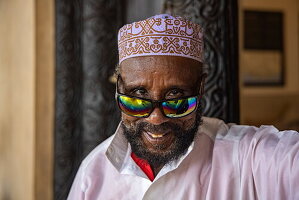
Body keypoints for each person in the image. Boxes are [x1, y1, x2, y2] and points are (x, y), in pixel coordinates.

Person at [67, 14, 299, 200]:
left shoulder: (247, 158)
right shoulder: (94, 172)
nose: (156, 119)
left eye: (176, 98)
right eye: (138, 96)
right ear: (119, 89)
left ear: (201, 89)